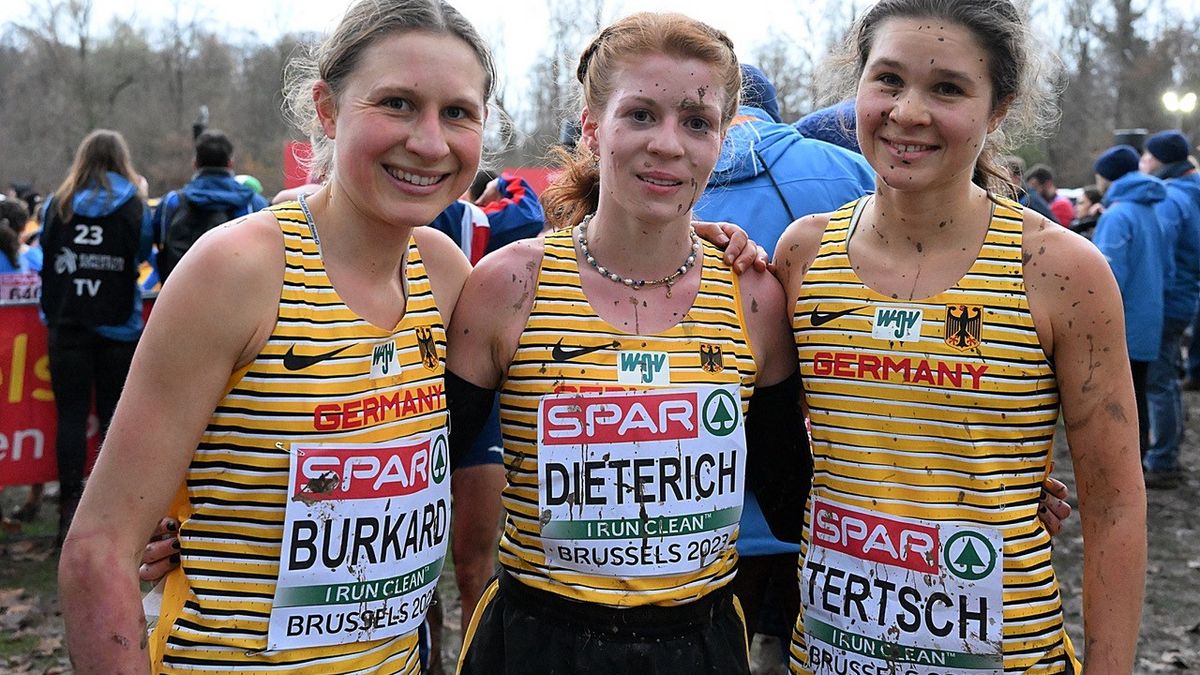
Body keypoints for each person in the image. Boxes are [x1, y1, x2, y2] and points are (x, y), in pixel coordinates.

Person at [58, 1, 494, 670]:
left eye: (457, 112)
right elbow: (98, 552)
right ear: (327, 109)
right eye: (398, 103)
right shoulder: (238, 269)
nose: (431, 142)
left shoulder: (444, 273)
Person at [771, 1, 1146, 672]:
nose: (908, 112)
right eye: (888, 79)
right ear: (858, 86)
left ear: (997, 110)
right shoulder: (802, 253)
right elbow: (794, 431)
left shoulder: (1060, 270)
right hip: (828, 655)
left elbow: (1115, 505)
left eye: (947, 88)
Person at [449, 13, 802, 673]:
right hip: (537, 643)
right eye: (640, 115)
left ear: (722, 138)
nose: (668, 144)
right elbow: (418, 470)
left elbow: (793, 502)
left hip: (700, 643)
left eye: (695, 122)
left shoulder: (754, 296)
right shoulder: (508, 284)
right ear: (591, 127)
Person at [39, 129, 153, 544]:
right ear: (122, 160)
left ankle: (67, 517)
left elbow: (46, 249)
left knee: (69, 417)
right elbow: (142, 253)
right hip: (118, 325)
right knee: (112, 420)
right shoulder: (135, 205)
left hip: (67, 322)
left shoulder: (58, 203)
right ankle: (109, 520)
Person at [1092, 145, 1168, 460]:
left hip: (1123, 324)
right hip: (1149, 317)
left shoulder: (1117, 216)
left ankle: (1125, 467)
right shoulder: (1152, 211)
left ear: (1107, 177)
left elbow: (1104, 281)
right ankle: (1142, 461)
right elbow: (1168, 267)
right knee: (1138, 395)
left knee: (1119, 402)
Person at [1139, 130, 1200, 488]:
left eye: (1148, 155)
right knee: (1169, 378)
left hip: (1166, 301)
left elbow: (1160, 255)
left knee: (1158, 381)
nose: (1143, 162)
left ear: (1162, 160)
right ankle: (1170, 448)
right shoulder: (1192, 190)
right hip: (1186, 298)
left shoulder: (1171, 197)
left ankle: (1162, 459)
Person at [152, 129, 270, 283]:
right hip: (238, 293)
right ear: (230, 163)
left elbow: (153, 246)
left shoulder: (171, 203)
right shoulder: (254, 204)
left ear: (195, 163)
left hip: (181, 292)